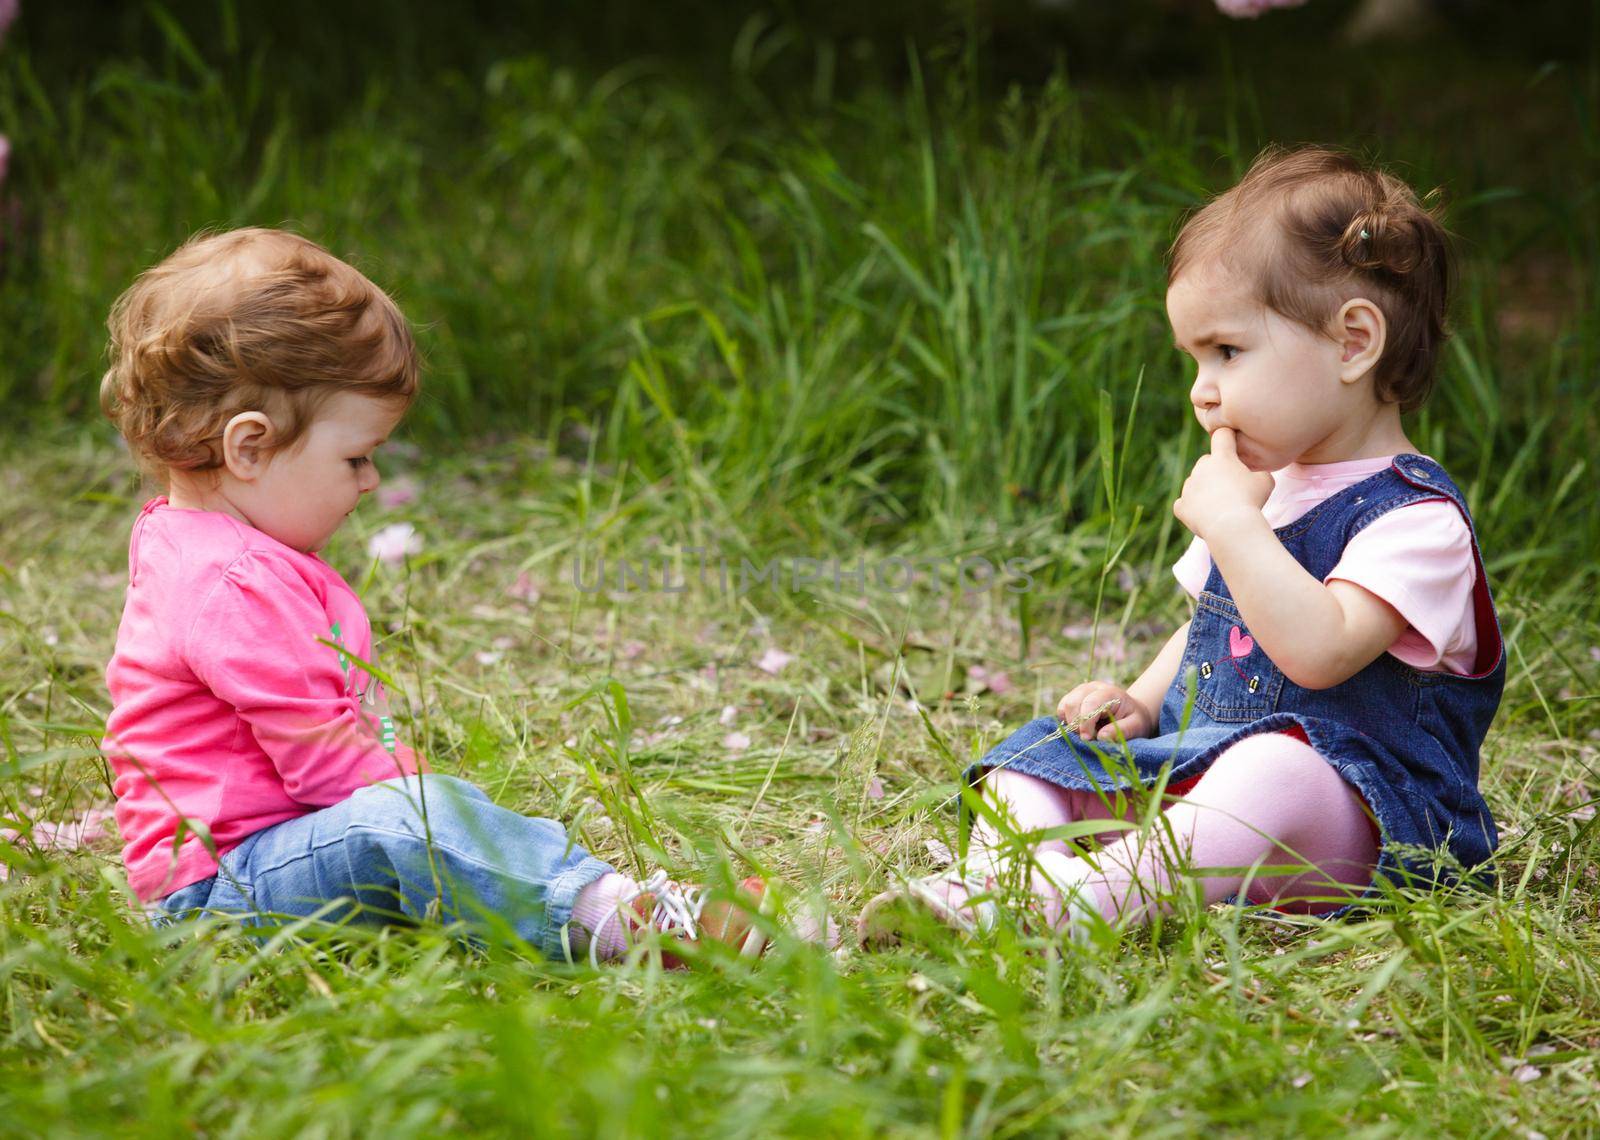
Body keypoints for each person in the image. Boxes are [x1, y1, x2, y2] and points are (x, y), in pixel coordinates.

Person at [860, 145, 1504, 945]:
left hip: (1369, 822)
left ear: (1352, 343)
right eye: (1194, 360)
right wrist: (1135, 701)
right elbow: (1211, 630)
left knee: (1277, 769)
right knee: (1034, 761)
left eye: (1227, 352)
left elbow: (1319, 652)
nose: (1202, 389)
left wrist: (1235, 526)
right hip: (1215, 795)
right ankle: (1005, 877)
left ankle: (1076, 899)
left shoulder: (1415, 519)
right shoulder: (1266, 491)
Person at [100, 227, 778, 965]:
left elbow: (345, 724)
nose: (369, 482)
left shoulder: (212, 547)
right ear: (249, 447)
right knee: (409, 822)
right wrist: (432, 807)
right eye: (355, 457)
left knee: (422, 818)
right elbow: (323, 762)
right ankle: (623, 921)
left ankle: (523, 884)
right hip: (225, 894)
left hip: (279, 858)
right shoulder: (231, 582)